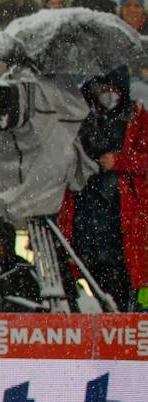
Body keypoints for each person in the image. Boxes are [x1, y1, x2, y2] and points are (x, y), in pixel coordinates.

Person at [60, 66, 148, 311]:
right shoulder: (78, 117)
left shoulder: (138, 118)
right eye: (102, 87)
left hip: (119, 214)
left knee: (119, 274)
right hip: (85, 209)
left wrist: (119, 162)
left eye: (113, 88)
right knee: (87, 266)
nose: (108, 94)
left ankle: (119, 319)